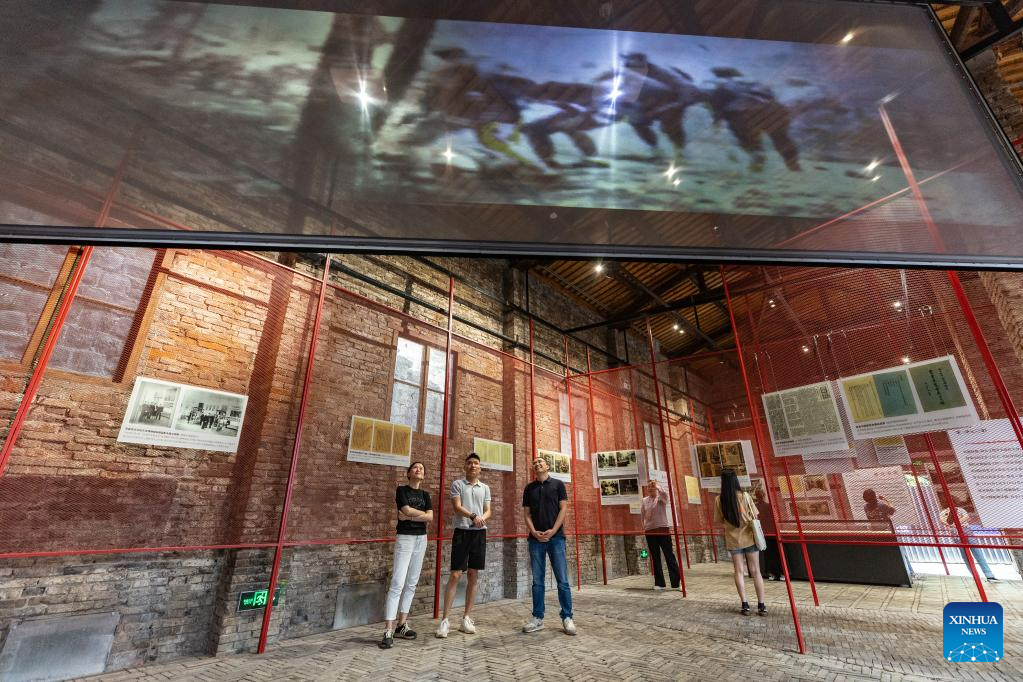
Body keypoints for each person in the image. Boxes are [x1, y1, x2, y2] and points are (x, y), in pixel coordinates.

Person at [436, 453, 491, 638]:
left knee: (473, 574)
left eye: (476, 463)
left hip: (479, 533)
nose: (473, 465)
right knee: (455, 574)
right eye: (469, 463)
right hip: (462, 532)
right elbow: (457, 507)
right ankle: (445, 621)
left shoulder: (485, 488)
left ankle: (466, 618)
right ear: (465, 467)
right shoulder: (458, 484)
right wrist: (473, 516)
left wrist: (482, 518)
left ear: (480, 467)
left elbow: (488, 510)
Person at [380, 461, 433, 649]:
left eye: (422, 468)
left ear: (423, 475)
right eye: (415, 467)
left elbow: (429, 517)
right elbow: (407, 509)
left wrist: (409, 516)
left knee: (412, 583)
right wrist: (416, 514)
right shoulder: (401, 490)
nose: (419, 469)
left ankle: (401, 625)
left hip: (421, 539)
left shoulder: (425, 495)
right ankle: (388, 629)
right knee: (398, 582)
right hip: (405, 538)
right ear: (409, 473)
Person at [521, 456, 576, 635]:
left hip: (556, 538)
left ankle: (567, 617)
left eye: (540, 462)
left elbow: (563, 509)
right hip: (535, 540)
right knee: (537, 581)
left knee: (562, 580)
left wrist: (553, 531)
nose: (537, 464)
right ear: (533, 468)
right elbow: (527, 514)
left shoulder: (558, 485)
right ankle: (538, 618)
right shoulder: (529, 488)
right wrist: (534, 532)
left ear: (547, 466)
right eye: (535, 463)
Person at [714, 469, 767, 616]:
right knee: (755, 571)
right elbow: (755, 514)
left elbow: (719, 520)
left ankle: (745, 604)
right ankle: (761, 605)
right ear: (736, 480)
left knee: (738, 571)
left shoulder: (719, 500)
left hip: (733, 539)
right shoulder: (745, 496)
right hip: (749, 537)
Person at [940, 500, 997, 582]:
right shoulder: (943, 513)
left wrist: (955, 522)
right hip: (955, 532)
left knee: (977, 552)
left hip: (966, 529)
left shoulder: (960, 509)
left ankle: (989, 575)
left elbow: (966, 517)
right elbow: (947, 522)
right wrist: (954, 519)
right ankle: (975, 576)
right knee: (965, 555)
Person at [640, 480, 680, 591]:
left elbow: (664, 494)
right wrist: (644, 527)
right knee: (655, 557)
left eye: (652, 486)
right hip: (650, 531)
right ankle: (659, 583)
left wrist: (657, 486)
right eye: (649, 487)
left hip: (663, 530)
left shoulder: (661, 498)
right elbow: (642, 515)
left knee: (669, 555)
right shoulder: (644, 500)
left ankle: (676, 584)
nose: (650, 488)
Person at [754, 487, 783, 581]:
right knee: (776, 553)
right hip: (773, 533)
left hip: (762, 534)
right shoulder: (769, 506)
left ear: (756, 496)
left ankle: (771, 574)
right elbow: (776, 519)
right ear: (764, 495)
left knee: (767, 554)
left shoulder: (755, 507)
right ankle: (780, 573)